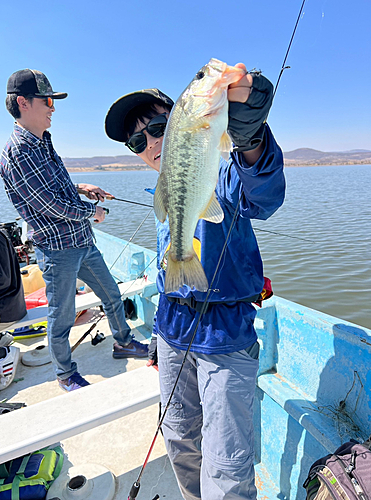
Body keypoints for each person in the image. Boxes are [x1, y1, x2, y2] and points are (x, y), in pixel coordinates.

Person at [105, 63, 285, 499]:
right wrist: (156, 340)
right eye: (136, 141)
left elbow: (263, 192)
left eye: (158, 128)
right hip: (170, 333)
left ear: (183, 121)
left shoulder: (219, 170)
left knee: (227, 468)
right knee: (180, 438)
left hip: (224, 338)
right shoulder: (162, 193)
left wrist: (251, 136)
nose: (149, 143)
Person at [0, 69, 148, 392]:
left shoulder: (42, 141)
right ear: (23, 103)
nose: (53, 107)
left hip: (82, 242)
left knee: (111, 293)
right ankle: (65, 373)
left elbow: (58, 188)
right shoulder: (16, 153)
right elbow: (51, 205)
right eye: (48, 100)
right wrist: (91, 212)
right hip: (57, 251)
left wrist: (82, 187)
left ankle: (123, 342)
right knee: (61, 316)